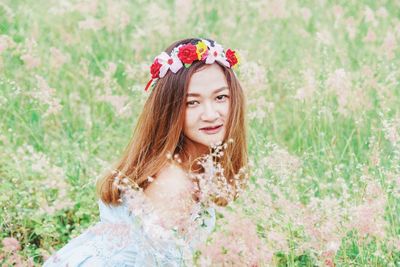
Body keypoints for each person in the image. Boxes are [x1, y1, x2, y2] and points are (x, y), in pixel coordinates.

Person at [43, 37, 248, 267]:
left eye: (220, 97)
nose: (210, 114)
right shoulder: (172, 182)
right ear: (170, 109)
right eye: (192, 102)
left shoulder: (196, 163)